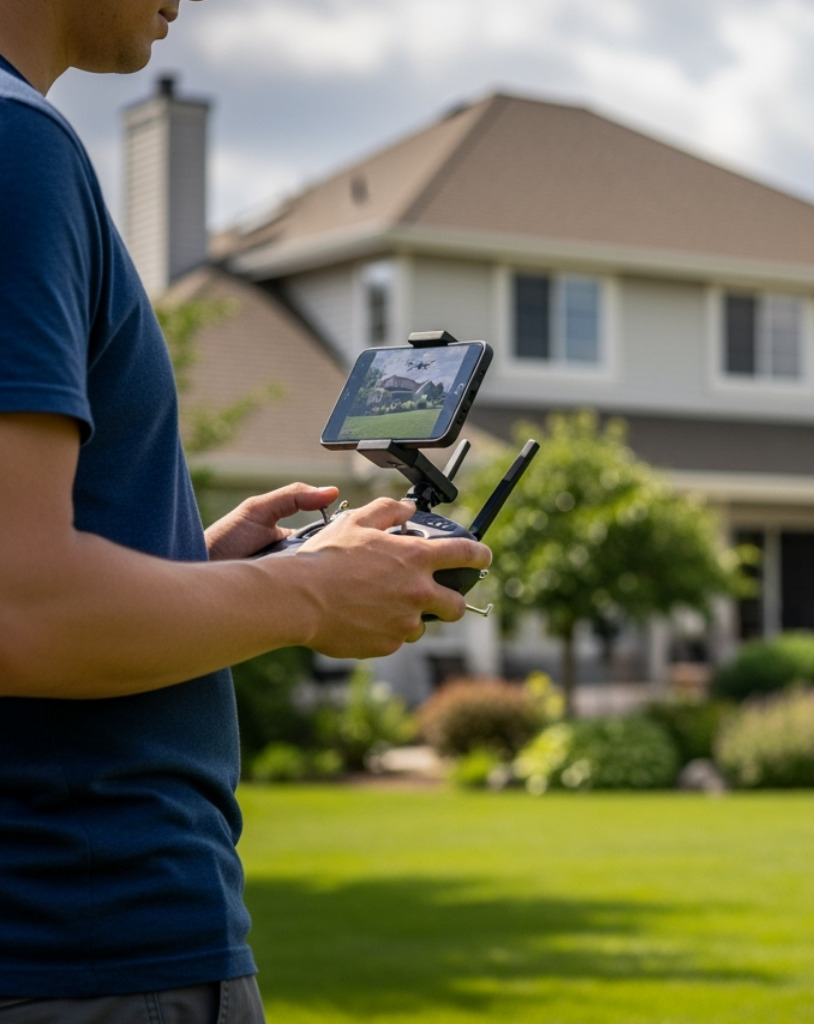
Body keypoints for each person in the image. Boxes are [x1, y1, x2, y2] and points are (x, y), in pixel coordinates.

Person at [0, 2, 491, 1020]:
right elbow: (22, 610)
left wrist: (207, 566)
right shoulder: (18, 152)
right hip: (86, 941)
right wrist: (306, 594)